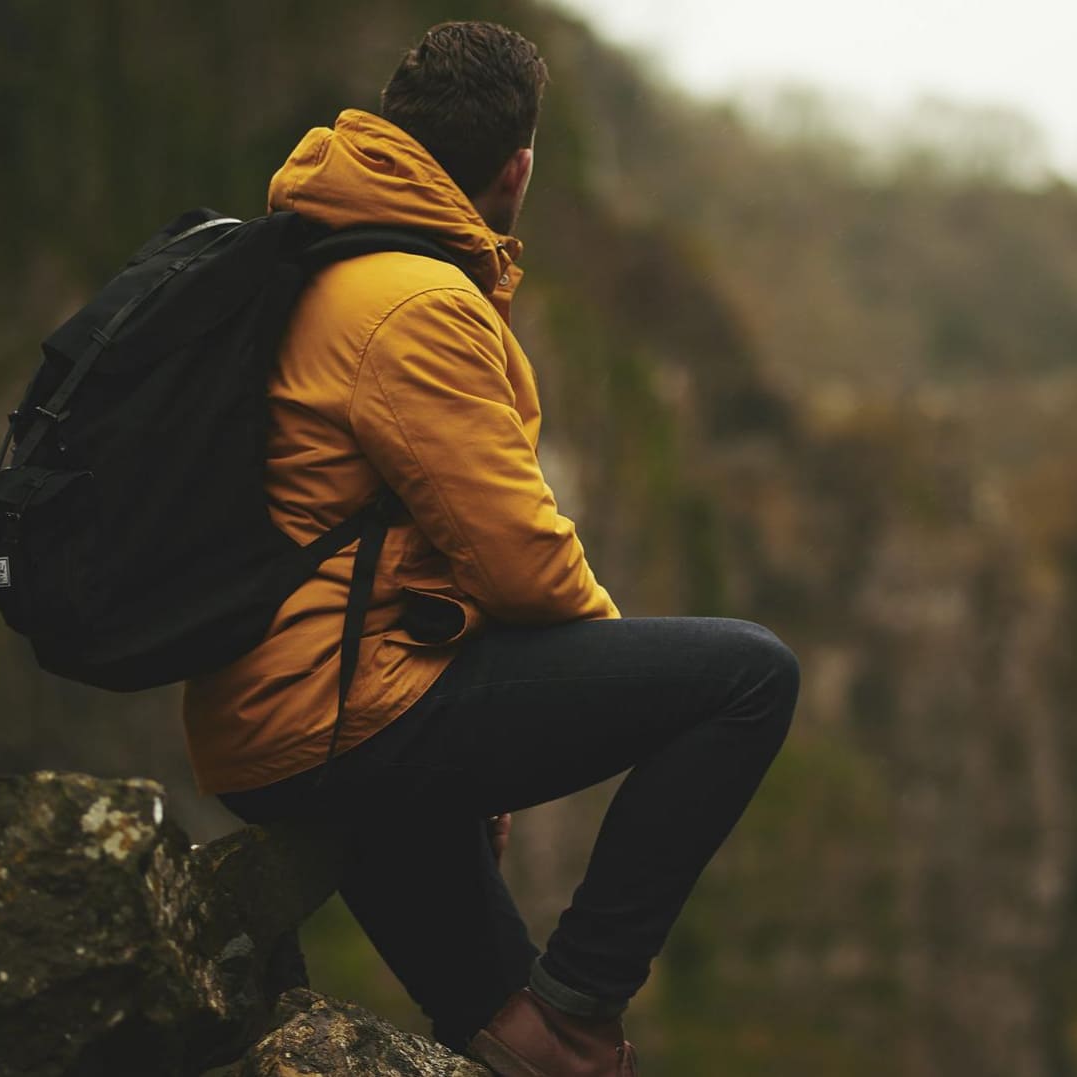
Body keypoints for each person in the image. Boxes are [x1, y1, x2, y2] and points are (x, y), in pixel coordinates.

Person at [181, 21, 799, 1077]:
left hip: (285, 715)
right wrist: (590, 688)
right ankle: (588, 999)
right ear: (517, 169)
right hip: (339, 719)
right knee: (749, 676)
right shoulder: (413, 304)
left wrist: (492, 730)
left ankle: (557, 1032)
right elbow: (520, 558)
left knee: (518, 1046)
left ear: (393, 130)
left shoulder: (321, 255)